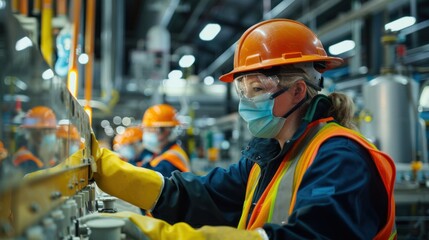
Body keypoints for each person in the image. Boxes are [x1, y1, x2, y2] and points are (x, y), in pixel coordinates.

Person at [87, 19, 396, 239]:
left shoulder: (339, 157)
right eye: (243, 90)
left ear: (298, 92)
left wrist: (166, 237)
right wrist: (109, 170)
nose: (246, 102)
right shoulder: (268, 155)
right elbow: (204, 195)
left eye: (257, 89)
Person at [137, 103, 191, 176]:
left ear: (165, 131)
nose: (145, 133)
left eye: (148, 129)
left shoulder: (170, 160)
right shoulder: (162, 153)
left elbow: (152, 178)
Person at [13, 106, 58, 174]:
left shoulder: (45, 157)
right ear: (35, 135)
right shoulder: (25, 159)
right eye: (47, 131)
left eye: (52, 131)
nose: (52, 135)